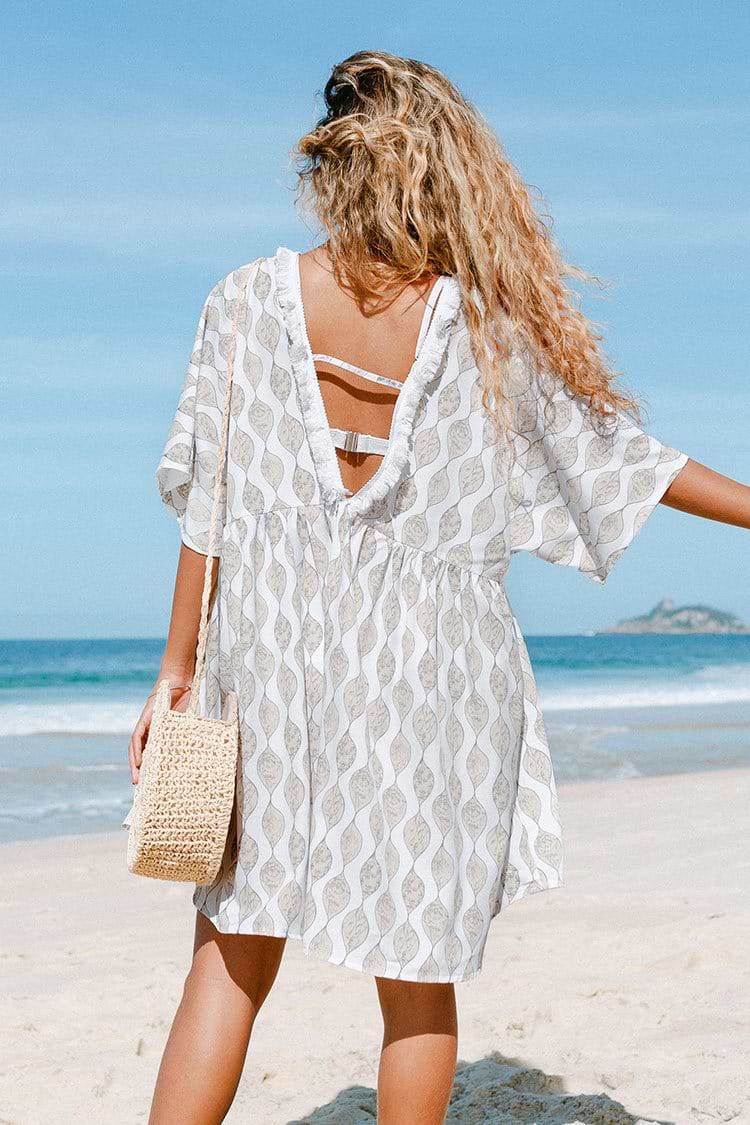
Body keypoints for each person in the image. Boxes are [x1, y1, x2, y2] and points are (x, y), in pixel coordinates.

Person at [128, 50, 750, 1125]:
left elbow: (209, 511)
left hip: (269, 665)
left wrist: (177, 669)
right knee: (418, 979)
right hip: (435, 684)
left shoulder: (245, 303)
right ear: (448, 171)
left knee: (229, 957)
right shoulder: (481, 332)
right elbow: (630, 463)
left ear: (328, 167)